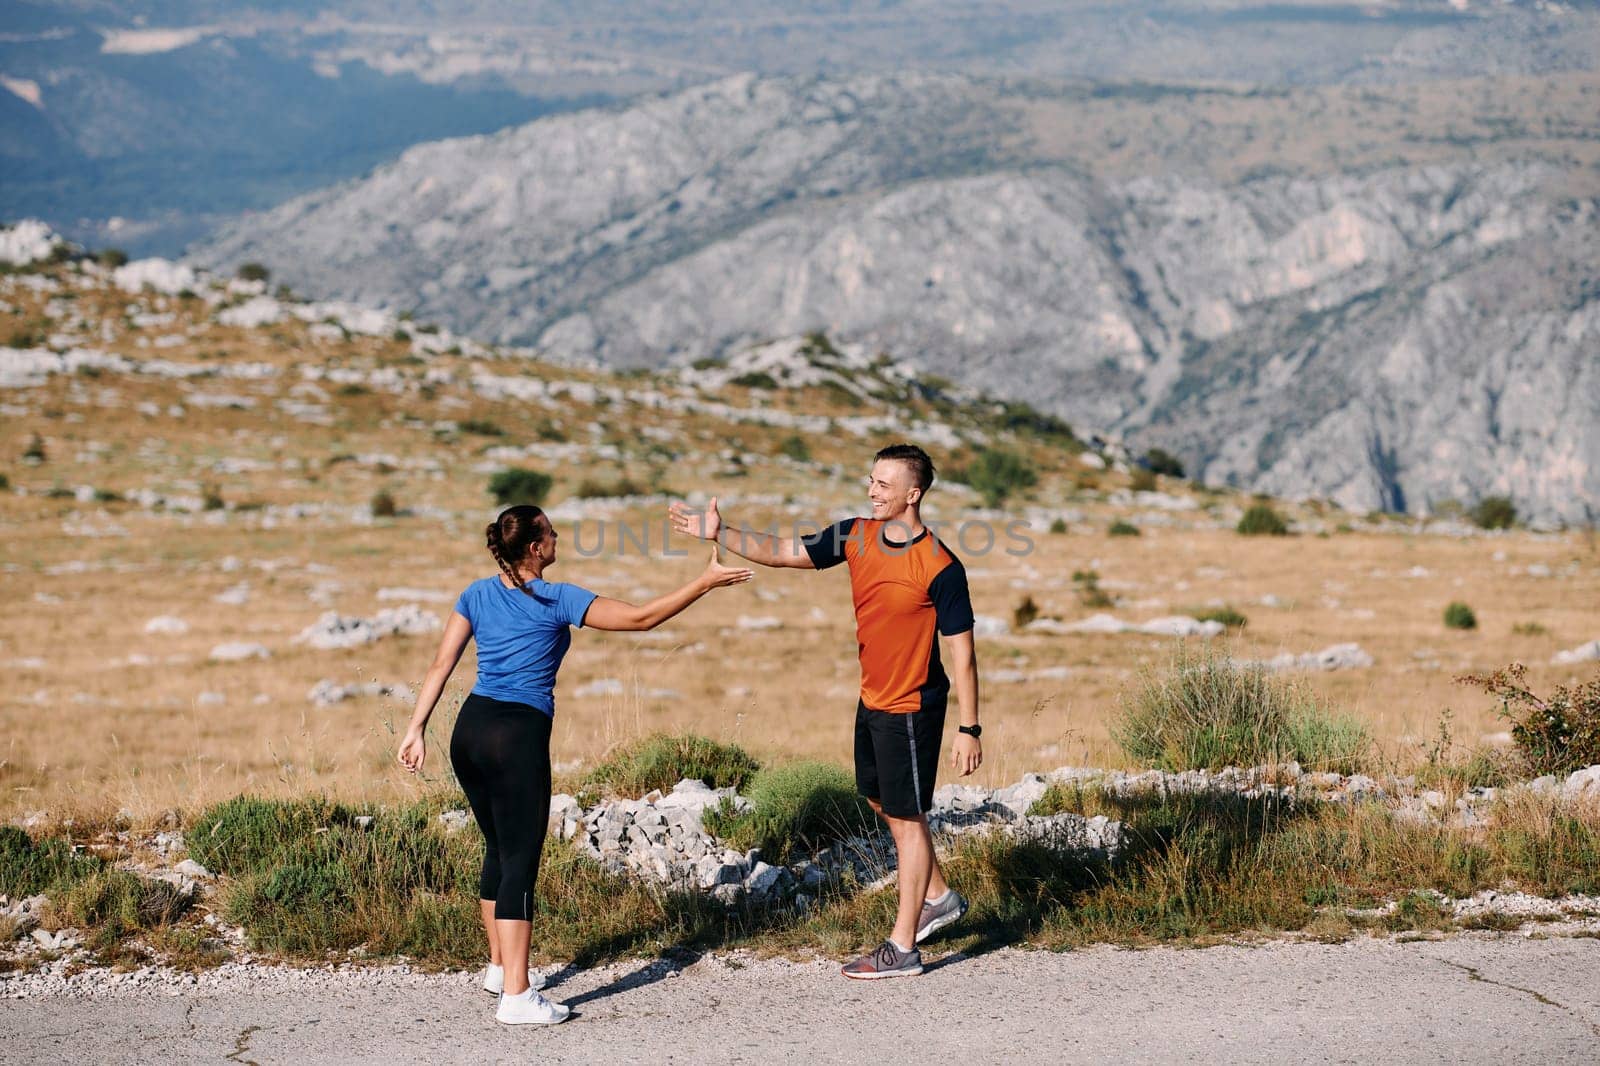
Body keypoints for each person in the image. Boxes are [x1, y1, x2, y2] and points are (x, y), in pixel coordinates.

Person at [398, 504, 752, 1024]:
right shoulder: (558, 598)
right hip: (515, 737)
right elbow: (641, 618)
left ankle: (499, 967)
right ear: (536, 548)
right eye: (551, 531)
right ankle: (517, 998)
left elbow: (440, 663)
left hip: (468, 732)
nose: (558, 535)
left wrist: (416, 728)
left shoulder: (475, 592)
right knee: (520, 860)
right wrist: (704, 582)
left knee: (497, 847)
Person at [669, 442, 982, 979]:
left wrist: (969, 728)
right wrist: (722, 533)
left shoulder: (941, 566)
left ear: (913, 493)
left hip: (913, 707)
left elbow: (964, 654)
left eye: (883, 485)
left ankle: (903, 947)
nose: (871, 490)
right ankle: (939, 897)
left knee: (908, 822)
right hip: (873, 699)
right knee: (880, 800)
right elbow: (786, 551)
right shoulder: (855, 534)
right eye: (870, 481)